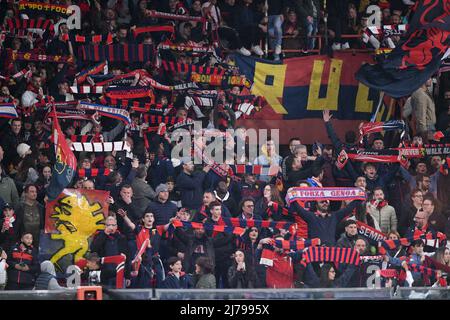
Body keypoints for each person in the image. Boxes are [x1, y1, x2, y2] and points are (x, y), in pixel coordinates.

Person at [290, 199, 362, 246]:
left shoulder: (334, 216)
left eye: (326, 202)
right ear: (316, 204)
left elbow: (348, 208)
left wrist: (360, 197)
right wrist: (292, 196)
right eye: (322, 202)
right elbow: (298, 209)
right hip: (315, 250)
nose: (324, 203)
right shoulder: (310, 216)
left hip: (331, 251)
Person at [90, 216, 129, 288]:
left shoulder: (122, 238)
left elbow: (127, 257)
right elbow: (93, 249)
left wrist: (128, 276)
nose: (111, 227)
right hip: (104, 274)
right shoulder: (100, 236)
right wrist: (105, 234)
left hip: (119, 273)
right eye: (108, 225)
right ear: (105, 226)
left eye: (113, 225)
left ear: (116, 226)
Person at [15, 185, 44, 250]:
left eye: (35, 192)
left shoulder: (41, 207)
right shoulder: (20, 207)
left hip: (38, 241)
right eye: (32, 191)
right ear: (26, 194)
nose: (34, 193)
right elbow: (16, 226)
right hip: (23, 242)